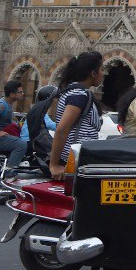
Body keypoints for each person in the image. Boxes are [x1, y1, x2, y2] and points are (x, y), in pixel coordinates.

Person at [49, 51, 104, 180]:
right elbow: (62, 130)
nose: (103, 74)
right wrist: (54, 165)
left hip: (79, 160)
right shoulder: (79, 95)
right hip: (75, 161)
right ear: (93, 73)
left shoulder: (74, 91)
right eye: (101, 69)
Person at [22, 84, 59, 163]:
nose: (56, 101)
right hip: (29, 140)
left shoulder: (37, 109)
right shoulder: (41, 112)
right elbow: (52, 125)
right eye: (55, 98)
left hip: (28, 139)